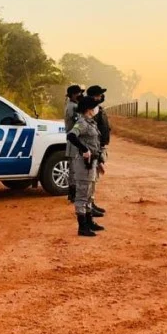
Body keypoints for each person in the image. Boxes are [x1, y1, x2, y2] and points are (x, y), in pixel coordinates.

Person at [66, 95, 105, 237]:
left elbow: (95, 143)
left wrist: (99, 161)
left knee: (89, 194)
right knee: (82, 195)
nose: (96, 109)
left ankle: (89, 222)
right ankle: (82, 226)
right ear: (89, 109)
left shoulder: (91, 123)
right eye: (94, 107)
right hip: (84, 164)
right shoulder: (82, 122)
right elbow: (71, 136)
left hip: (92, 163)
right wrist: (84, 149)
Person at [86, 85, 110, 216]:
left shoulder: (97, 109)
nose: (101, 97)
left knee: (94, 179)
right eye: (99, 95)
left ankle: (91, 204)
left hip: (99, 147)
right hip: (94, 148)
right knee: (91, 179)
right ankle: (88, 206)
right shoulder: (91, 112)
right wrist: (98, 154)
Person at [63, 84, 84, 202]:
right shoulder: (72, 107)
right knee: (74, 168)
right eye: (78, 93)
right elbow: (78, 121)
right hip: (74, 140)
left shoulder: (73, 105)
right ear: (72, 94)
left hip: (74, 140)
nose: (80, 95)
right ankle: (73, 194)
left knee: (74, 167)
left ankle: (73, 194)